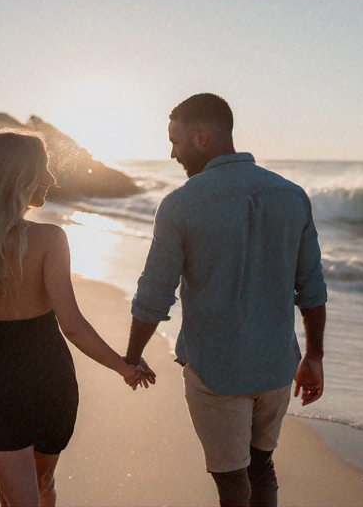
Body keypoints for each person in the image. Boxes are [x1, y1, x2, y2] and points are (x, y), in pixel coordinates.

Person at [124, 93, 327, 506]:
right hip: (275, 368)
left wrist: (132, 356)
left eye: (176, 141)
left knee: (234, 485)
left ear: (201, 138)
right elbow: (312, 288)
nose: (172, 153)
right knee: (261, 468)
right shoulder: (292, 195)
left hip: (216, 371)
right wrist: (314, 357)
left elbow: (154, 295)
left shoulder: (181, 205)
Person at [0, 130, 155, 507]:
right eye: (44, 170)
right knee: (36, 488)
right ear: (20, 177)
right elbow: (71, 325)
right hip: (49, 383)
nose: (52, 180)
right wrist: (124, 366)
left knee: (27, 490)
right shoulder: (49, 239)